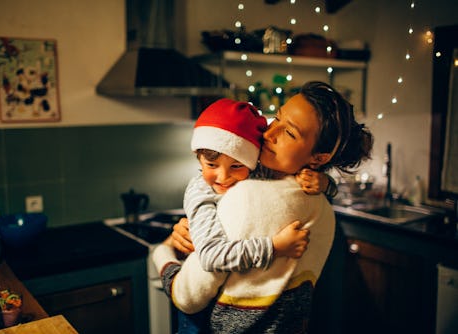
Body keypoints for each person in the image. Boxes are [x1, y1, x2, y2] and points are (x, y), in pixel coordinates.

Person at [153, 81, 373, 333]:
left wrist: (164, 252)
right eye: (277, 119)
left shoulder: (248, 197)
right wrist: (325, 182)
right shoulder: (319, 203)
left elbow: (189, 297)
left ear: (319, 158)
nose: (268, 133)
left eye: (289, 133)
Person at [176, 98, 333, 333]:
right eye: (211, 164)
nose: (223, 177)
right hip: (198, 320)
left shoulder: (258, 172)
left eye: (236, 166)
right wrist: (274, 247)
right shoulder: (201, 193)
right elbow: (211, 257)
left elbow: (313, 180)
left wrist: (325, 183)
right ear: (198, 157)